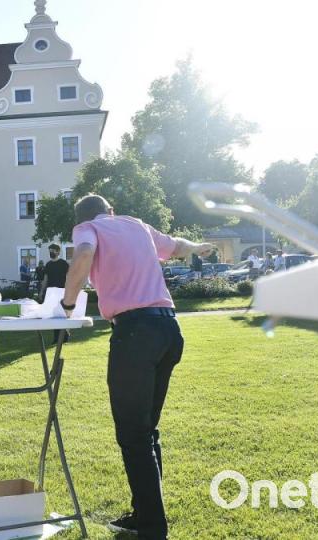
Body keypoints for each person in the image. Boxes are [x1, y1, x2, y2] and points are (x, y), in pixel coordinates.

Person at [60, 194, 214, 539]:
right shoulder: (137, 225)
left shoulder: (87, 229)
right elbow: (177, 246)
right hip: (169, 330)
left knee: (133, 434)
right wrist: (199, 246)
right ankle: (144, 513)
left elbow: (83, 254)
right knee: (146, 430)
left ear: (82, 220)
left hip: (135, 334)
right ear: (111, 211)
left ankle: (152, 526)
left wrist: (67, 305)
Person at [42, 244, 71, 342]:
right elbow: (45, 279)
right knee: (54, 315)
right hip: (51, 293)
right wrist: (42, 292)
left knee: (63, 315)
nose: (51, 252)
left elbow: (69, 277)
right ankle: (56, 338)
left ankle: (65, 336)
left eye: (53, 250)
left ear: (58, 252)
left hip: (62, 292)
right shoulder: (48, 265)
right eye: (50, 251)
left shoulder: (64, 264)